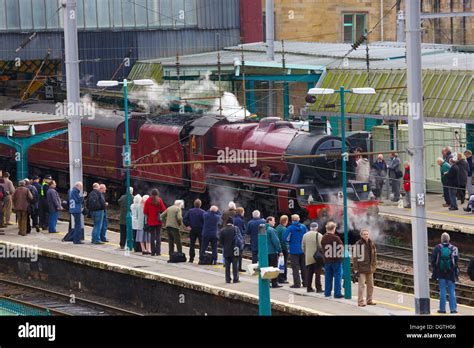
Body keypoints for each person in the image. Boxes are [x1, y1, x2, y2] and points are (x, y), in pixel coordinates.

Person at [431, 232, 459, 314]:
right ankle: (453, 309)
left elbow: (432, 261)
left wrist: (436, 269)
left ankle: (442, 309)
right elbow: (456, 260)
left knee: (442, 290)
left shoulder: (437, 248)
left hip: (441, 272)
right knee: (451, 291)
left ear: (441, 239)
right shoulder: (454, 248)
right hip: (451, 273)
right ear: (449, 239)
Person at [353, 228, 377, 306]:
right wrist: (356, 269)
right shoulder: (358, 244)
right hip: (361, 269)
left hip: (370, 268)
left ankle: (369, 300)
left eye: (367, 234)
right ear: (361, 235)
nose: (366, 235)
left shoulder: (371, 243)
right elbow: (355, 257)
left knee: (371, 286)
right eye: (364, 234)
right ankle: (360, 302)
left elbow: (375, 255)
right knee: (362, 286)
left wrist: (374, 265)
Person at [283, 214, 307, 289]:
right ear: (299, 219)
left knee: (295, 268)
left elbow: (285, 238)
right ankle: (306, 283)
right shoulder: (303, 227)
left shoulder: (290, 228)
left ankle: (297, 284)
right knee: (304, 267)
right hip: (303, 250)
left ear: (292, 220)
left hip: (294, 250)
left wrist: (289, 242)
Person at [321, 221, 344, 298]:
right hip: (336, 260)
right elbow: (341, 248)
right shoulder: (335, 238)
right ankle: (337, 293)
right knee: (338, 276)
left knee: (328, 276)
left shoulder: (324, 237)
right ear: (334, 229)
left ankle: (327, 293)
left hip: (327, 260)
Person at [219, 216, 243, 283]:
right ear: (232, 223)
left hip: (226, 251)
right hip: (235, 250)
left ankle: (227, 279)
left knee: (227, 267)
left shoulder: (222, 230)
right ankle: (236, 279)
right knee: (235, 266)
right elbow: (240, 239)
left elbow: (220, 242)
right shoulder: (235, 229)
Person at [302, 222, 323, 293]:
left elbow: (302, 247)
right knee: (317, 274)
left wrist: (306, 253)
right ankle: (318, 288)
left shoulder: (305, 235)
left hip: (308, 257)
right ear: (316, 228)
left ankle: (309, 288)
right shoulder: (319, 235)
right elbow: (321, 246)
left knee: (309, 273)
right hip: (317, 258)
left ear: (310, 228)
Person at [143, 189, 166, 256]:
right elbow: (164, 210)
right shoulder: (159, 200)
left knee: (152, 236)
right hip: (158, 221)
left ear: (151, 193)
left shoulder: (148, 201)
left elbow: (145, 212)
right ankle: (158, 252)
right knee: (158, 236)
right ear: (157, 194)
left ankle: (153, 252)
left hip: (151, 221)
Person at [183, 199, 205, 263]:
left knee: (192, 244)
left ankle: (191, 259)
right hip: (200, 230)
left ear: (194, 204)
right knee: (201, 245)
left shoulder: (190, 211)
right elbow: (205, 221)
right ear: (200, 205)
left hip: (192, 229)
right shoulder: (203, 212)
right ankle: (201, 259)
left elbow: (185, 219)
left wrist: (188, 225)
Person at [266, 216, 283, 289]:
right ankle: (274, 283)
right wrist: (279, 250)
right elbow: (276, 241)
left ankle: (266, 283)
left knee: (266, 268)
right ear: (269, 221)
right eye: (273, 221)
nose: (274, 222)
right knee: (273, 268)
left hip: (265, 252)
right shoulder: (271, 230)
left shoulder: (263, 229)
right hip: (272, 252)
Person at [275, 215, 289, 284]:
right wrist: (287, 247)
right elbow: (284, 240)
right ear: (285, 221)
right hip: (283, 249)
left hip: (278, 248)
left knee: (279, 263)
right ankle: (282, 278)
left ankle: (278, 277)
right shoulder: (284, 229)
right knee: (283, 264)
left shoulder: (277, 228)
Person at [233, 207, 246, 272]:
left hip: (234, 238)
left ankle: (236, 267)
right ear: (241, 212)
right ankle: (238, 268)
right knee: (239, 254)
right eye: (243, 212)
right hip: (239, 239)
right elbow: (242, 230)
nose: (244, 213)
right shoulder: (240, 220)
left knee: (236, 254)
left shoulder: (234, 218)